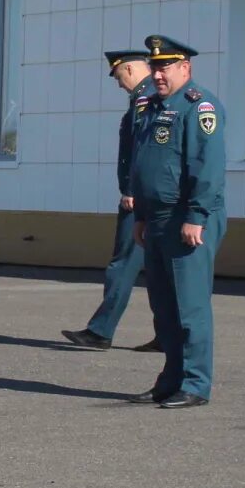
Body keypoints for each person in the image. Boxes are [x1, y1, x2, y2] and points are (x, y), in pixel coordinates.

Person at [127, 35, 226, 410]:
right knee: (164, 306)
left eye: (165, 67)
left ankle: (196, 383)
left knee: (190, 306)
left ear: (186, 67)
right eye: (154, 67)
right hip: (157, 217)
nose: (158, 74)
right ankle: (170, 380)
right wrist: (141, 215)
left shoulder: (199, 107)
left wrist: (196, 216)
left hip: (188, 217)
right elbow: (144, 163)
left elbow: (208, 167)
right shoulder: (152, 106)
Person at [64, 50, 157, 350]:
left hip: (140, 199)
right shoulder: (147, 98)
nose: (119, 84)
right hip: (150, 197)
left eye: (118, 76)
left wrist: (131, 189)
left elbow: (143, 150)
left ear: (129, 69)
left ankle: (101, 331)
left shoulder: (145, 100)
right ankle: (169, 335)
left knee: (123, 264)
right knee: (157, 269)